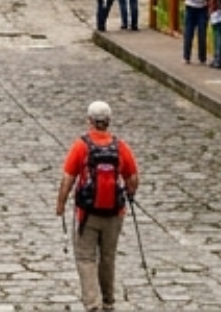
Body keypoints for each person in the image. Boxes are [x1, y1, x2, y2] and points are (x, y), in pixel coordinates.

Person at [56, 100, 137, 312]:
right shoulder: (120, 147)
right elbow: (133, 177)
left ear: (90, 121)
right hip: (114, 212)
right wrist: (130, 194)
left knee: (85, 257)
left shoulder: (81, 146)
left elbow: (68, 179)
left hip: (87, 213)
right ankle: (109, 301)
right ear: (108, 122)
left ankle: (92, 304)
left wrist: (61, 203)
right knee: (108, 257)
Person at [178, 0, 215, 65]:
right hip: (190, 9)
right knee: (188, 34)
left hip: (202, 10)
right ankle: (186, 57)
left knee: (202, 34)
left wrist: (210, 5)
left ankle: (202, 57)